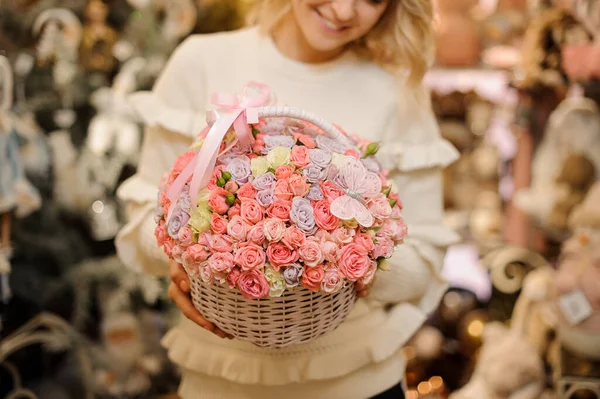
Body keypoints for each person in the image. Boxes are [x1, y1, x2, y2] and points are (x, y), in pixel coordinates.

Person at [115, 1, 460, 398]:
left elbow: (424, 264)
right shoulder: (201, 59)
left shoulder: (398, 90)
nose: (345, 11)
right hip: (220, 383)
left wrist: (342, 256)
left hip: (357, 384)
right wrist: (182, 260)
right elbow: (145, 216)